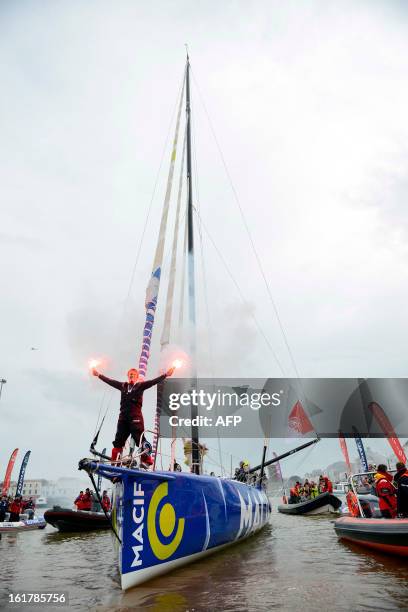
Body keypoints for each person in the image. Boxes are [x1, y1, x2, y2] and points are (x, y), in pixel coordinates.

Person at [93, 366, 174, 464]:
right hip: (123, 418)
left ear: (137, 377)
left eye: (134, 374)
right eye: (130, 374)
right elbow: (110, 381)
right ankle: (115, 464)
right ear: (128, 376)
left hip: (135, 418)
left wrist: (166, 375)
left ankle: (146, 460)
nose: (131, 375)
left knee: (139, 439)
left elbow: (153, 382)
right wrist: (98, 375)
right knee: (118, 441)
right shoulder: (123, 385)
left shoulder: (141, 385)